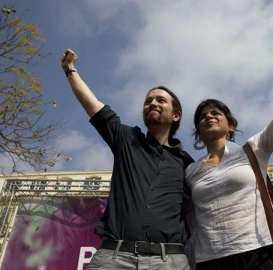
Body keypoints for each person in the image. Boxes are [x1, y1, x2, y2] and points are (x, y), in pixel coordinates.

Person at [185, 27, 273, 270]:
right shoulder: (190, 171)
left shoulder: (254, 149)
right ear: (198, 131)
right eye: (202, 116)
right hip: (209, 262)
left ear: (230, 125)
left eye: (215, 113)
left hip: (259, 255)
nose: (208, 117)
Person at [61, 50, 194, 269]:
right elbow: (92, 105)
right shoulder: (126, 139)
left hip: (169, 261)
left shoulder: (187, 164)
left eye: (161, 100)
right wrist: (70, 70)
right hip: (113, 256)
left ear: (176, 115)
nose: (153, 103)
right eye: (148, 100)